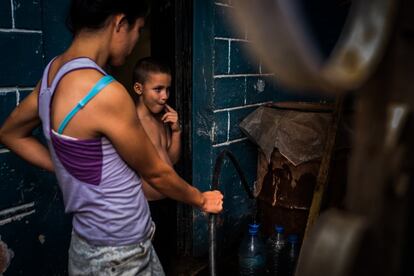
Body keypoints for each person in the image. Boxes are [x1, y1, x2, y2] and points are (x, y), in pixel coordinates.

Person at [0, 0, 223, 275]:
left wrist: (64, 165)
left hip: (89, 245)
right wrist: (201, 199)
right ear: (120, 23)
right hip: (120, 254)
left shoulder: (51, 76)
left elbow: (10, 133)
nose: (134, 42)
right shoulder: (103, 92)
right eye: (138, 30)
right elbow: (156, 173)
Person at [132, 57, 179, 201]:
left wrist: (177, 131)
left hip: (167, 201)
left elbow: (171, 161)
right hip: (144, 205)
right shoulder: (133, 124)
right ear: (139, 89)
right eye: (158, 89)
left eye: (167, 89)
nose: (165, 96)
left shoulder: (161, 119)